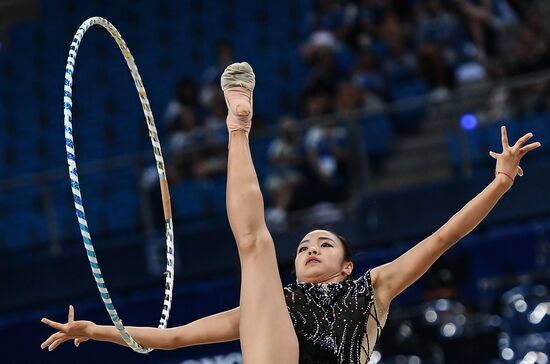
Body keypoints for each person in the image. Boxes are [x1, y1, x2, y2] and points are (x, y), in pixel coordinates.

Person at [40, 62, 541, 363]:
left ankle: (238, 129)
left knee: (260, 254)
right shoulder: (270, 306)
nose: (308, 248)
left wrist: (498, 184)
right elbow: (174, 338)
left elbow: (440, 239)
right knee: (256, 246)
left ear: (347, 265)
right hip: (275, 353)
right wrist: (99, 331)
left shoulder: (373, 288)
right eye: (304, 245)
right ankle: (239, 127)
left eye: (323, 243)